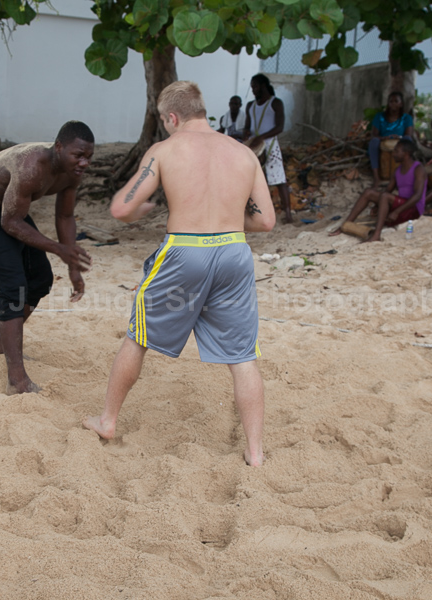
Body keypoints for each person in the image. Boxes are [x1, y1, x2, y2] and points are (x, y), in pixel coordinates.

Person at [82, 81, 276, 467]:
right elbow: (265, 221)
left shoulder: (165, 150)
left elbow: (121, 208)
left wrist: (144, 210)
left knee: (138, 336)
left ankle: (107, 421)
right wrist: (222, 219)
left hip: (185, 251)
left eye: (163, 121)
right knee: (243, 356)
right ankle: (255, 452)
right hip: (234, 252)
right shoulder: (243, 153)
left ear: (172, 117)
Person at [0, 121, 95, 395]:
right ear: (59, 147)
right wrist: (57, 248)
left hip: (10, 210)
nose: (84, 163)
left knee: (39, 280)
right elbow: (9, 222)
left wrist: (73, 266)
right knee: (13, 289)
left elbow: (65, 215)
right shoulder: (31, 166)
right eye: (78, 155)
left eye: (89, 157)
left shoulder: (72, 172)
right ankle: (17, 380)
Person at [330, 139, 426, 242]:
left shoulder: (418, 169)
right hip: (402, 206)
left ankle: (376, 235)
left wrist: (396, 212)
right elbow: (388, 190)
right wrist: (377, 205)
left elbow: (417, 196)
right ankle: (345, 225)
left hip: (414, 210)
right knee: (368, 192)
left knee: (385, 196)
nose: (393, 154)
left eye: (396, 151)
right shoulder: (397, 170)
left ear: (406, 153)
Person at [243, 73, 292, 224]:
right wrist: (247, 134)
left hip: (270, 144)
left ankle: (288, 214)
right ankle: (253, 213)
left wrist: (261, 137)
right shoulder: (250, 106)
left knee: (279, 179)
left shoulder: (275, 103)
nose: (253, 90)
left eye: (255, 87)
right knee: (251, 180)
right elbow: (247, 126)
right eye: (252, 87)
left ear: (263, 86)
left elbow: (279, 127)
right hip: (255, 144)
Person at [368, 91, 415, 187]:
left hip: (400, 141)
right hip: (383, 140)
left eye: (396, 101)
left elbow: (408, 135)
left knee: (408, 140)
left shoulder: (407, 118)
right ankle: (376, 177)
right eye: (391, 101)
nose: (393, 103)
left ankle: (406, 174)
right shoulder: (379, 116)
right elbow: (374, 134)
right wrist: (384, 138)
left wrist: (399, 138)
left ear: (401, 104)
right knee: (373, 141)